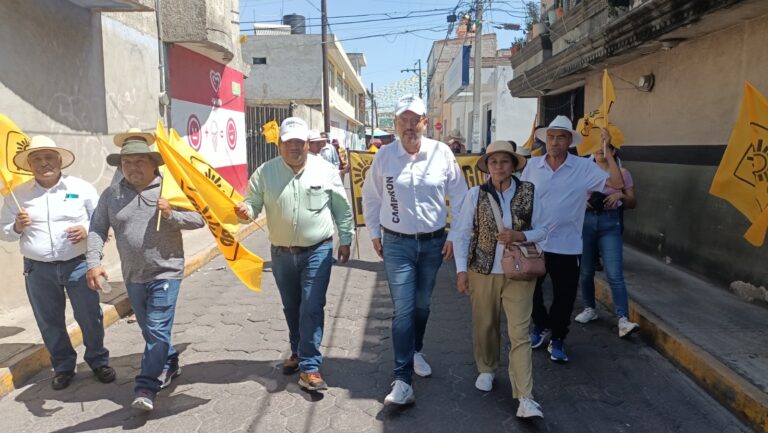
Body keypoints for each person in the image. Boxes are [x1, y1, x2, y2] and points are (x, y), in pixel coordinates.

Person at [86, 128, 205, 411]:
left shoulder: (172, 188)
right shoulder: (111, 195)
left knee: (157, 329)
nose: (132, 167)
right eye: (126, 162)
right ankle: (170, 362)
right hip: (133, 275)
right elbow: (96, 229)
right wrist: (93, 263)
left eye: (139, 161)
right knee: (151, 333)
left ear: (153, 163)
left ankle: (145, 387)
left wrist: (171, 214)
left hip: (166, 271)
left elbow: (200, 219)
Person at [362, 95, 468, 405]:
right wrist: (373, 232)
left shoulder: (442, 153)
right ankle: (402, 380)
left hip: (434, 243)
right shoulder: (384, 157)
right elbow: (371, 197)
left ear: (425, 122)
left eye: (415, 120)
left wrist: (453, 236)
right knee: (404, 310)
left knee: (422, 304)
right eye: (403, 121)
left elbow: (460, 198)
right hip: (397, 243)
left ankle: (415, 349)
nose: (409, 126)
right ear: (395, 125)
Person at [235, 117, 353, 392]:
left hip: (318, 250)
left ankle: (310, 367)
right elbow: (252, 204)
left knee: (312, 305)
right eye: (289, 142)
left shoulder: (325, 170)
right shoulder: (265, 173)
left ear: (308, 144)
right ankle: (298, 351)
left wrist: (346, 239)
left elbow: (341, 208)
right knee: (292, 306)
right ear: (280, 144)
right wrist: (246, 212)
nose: (295, 147)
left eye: (300, 142)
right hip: (281, 254)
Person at [0, 136, 115, 390]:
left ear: (59, 160)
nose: (44, 163)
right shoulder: (17, 196)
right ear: (29, 165)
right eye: (37, 159)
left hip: (78, 264)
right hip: (37, 269)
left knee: (90, 316)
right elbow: (3, 231)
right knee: (49, 321)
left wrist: (86, 230)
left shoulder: (82, 188)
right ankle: (63, 366)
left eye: (49, 157)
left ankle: (98, 360)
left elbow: (101, 220)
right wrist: (17, 226)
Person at [453, 140, 546, 418]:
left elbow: (544, 229)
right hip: (482, 270)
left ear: (514, 165)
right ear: (487, 166)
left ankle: (525, 396)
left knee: (520, 333)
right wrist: (460, 270)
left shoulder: (529, 192)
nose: (499, 167)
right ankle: (486, 367)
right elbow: (461, 233)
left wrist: (521, 236)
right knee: (485, 324)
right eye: (493, 162)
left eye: (504, 161)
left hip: (520, 272)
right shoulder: (475, 195)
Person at [520, 116, 623, 363]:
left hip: (567, 245)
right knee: (529, 292)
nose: (554, 142)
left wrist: (608, 154)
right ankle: (541, 325)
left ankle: (558, 338)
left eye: (561, 137)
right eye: (551, 137)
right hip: (536, 243)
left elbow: (617, 184)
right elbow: (522, 200)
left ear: (569, 141)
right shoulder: (533, 166)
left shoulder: (583, 167)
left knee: (564, 296)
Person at [575, 143, 639, 337]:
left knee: (614, 273)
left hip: (610, 223)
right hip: (586, 221)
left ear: (613, 151)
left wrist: (620, 195)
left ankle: (623, 319)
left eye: (605, 147)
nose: (600, 151)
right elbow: (569, 195)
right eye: (596, 147)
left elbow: (633, 202)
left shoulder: (623, 173)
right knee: (585, 271)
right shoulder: (584, 170)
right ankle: (589, 308)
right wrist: (582, 203)